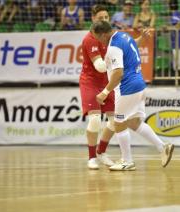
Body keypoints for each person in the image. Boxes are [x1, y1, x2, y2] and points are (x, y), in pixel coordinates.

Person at [93, 20, 174, 171]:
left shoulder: (113, 47)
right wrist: (142, 38)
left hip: (127, 88)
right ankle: (162, 147)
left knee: (119, 123)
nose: (99, 41)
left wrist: (104, 93)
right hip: (139, 85)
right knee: (134, 123)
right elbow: (132, 46)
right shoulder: (124, 36)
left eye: (98, 37)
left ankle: (127, 161)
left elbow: (118, 73)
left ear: (103, 34)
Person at [80, 5, 115, 170]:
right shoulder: (89, 39)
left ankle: (102, 152)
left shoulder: (111, 36)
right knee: (95, 120)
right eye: (101, 18)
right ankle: (92, 157)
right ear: (93, 19)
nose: (104, 20)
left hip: (107, 83)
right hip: (91, 82)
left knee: (116, 121)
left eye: (107, 17)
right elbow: (100, 66)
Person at [168, 0, 180, 72]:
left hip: (178, 41)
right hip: (176, 41)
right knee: (177, 63)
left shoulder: (175, 14)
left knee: (179, 64)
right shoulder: (178, 14)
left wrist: (167, 28)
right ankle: (179, 81)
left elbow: (179, 25)